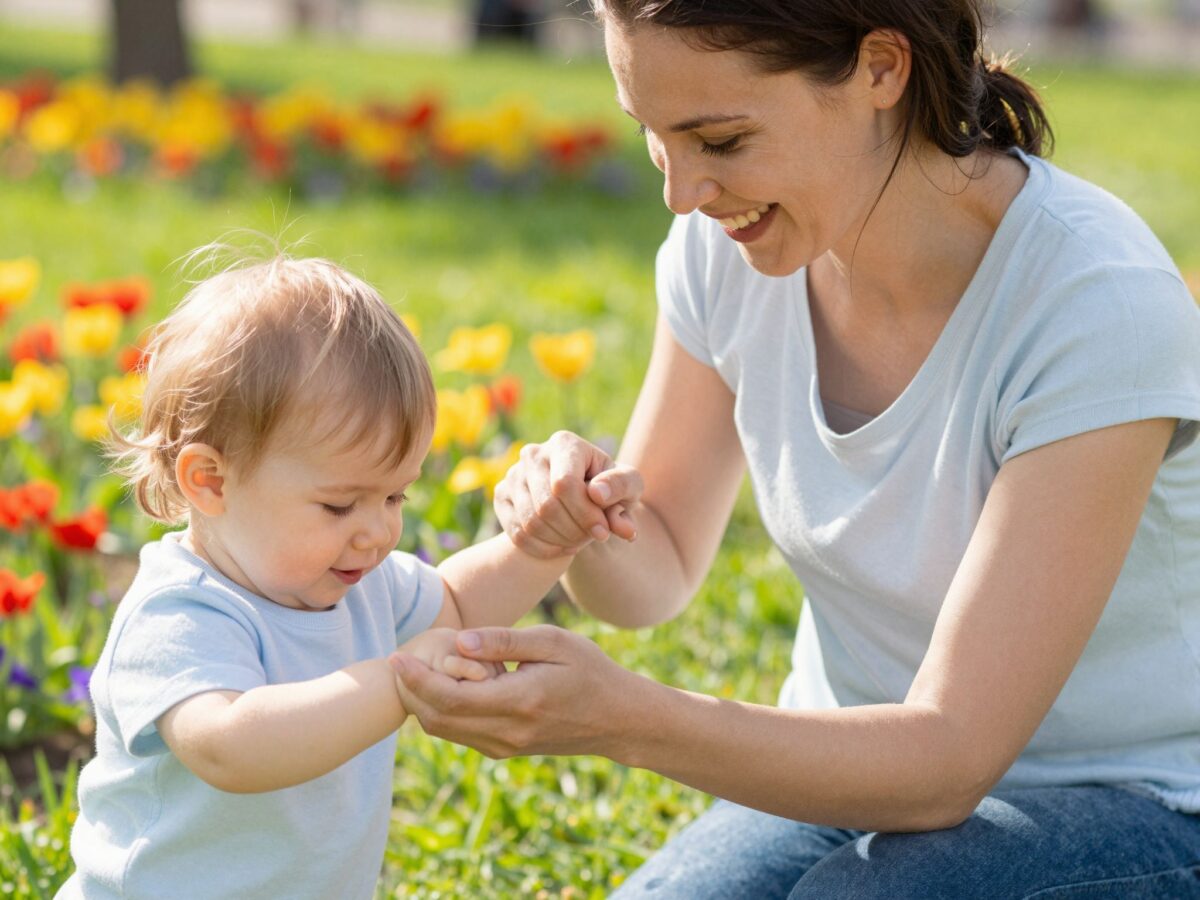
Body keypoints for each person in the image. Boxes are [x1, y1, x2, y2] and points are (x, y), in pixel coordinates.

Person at [389, 1, 1200, 896]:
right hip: (845, 767)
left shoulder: (1094, 305)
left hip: (1142, 799)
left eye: (723, 141)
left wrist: (626, 719)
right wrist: (571, 524)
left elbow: (949, 757)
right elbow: (652, 560)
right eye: (656, 138)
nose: (682, 193)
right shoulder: (726, 252)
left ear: (882, 71)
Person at [57, 252, 593, 898]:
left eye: (396, 497)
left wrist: (541, 545)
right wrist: (398, 684)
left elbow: (454, 604)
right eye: (340, 505)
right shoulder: (180, 613)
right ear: (210, 481)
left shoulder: (359, 583)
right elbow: (230, 745)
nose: (378, 531)